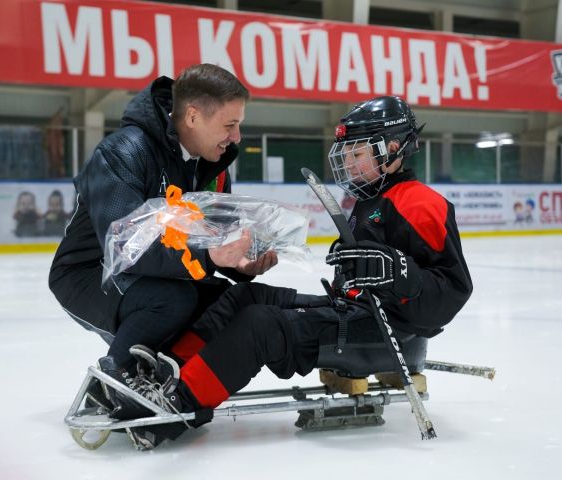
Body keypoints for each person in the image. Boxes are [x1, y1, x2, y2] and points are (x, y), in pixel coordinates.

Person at [115, 96, 474, 450]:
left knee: (261, 325)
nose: (348, 163)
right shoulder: (371, 200)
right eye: (346, 154)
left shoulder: (422, 204)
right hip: (354, 312)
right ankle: (169, 371)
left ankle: (177, 405)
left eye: (357, 154)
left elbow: (453, 291)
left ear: (392, 149)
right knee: (245, 296)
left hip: (387, 333)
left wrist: (399, 273)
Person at [48, 64, 278, 413]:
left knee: (225, 300)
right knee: (172, 301)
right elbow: (123, 248)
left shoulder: (211, 166)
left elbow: (214, 242)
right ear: (193, 116)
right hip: (88, 272)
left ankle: (164, 377)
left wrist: (243, 264)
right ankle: (114, 383)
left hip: (154, 271)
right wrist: (209, 259)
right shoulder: (124, 152)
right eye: (230, 125)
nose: (237, 137)